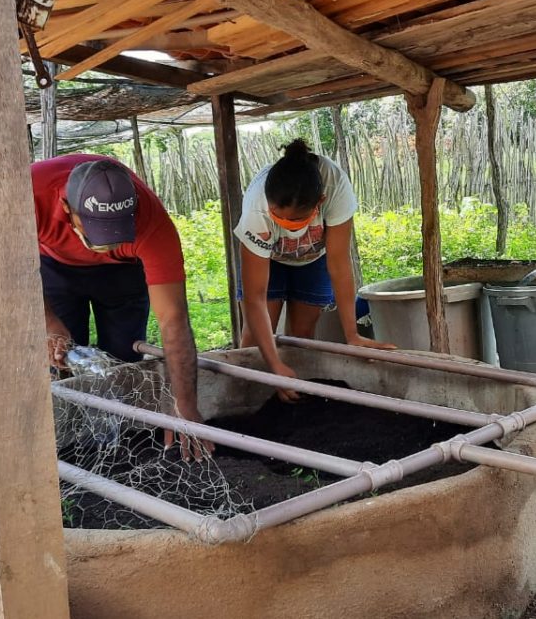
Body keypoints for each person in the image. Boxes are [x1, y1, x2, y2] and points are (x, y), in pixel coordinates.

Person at [32, 154, 211, 459]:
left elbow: (173, 320)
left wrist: (185, 406)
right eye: (96, 230)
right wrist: (48, 321)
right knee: (60, 357)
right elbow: (6, 274)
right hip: (51, 267)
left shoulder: (152, 223)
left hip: (122, 274)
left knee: (122, 358)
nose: (108, 241)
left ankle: (116, 441)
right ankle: (64, 446)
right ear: (66, 209)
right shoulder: (29, 195)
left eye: (116, 230)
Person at [234, 139, 394, 401]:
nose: (285, 224)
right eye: (277, 216)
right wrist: (273, 365)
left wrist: (352, 335)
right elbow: (255, 297)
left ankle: (294, 398)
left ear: (320, 202)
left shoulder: (335, 187)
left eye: (296, 220)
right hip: (268, 260)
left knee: (302, 339)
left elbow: (339, 264)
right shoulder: (256, 205)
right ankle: (246, 402)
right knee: (253, 344)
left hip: (313, 259)